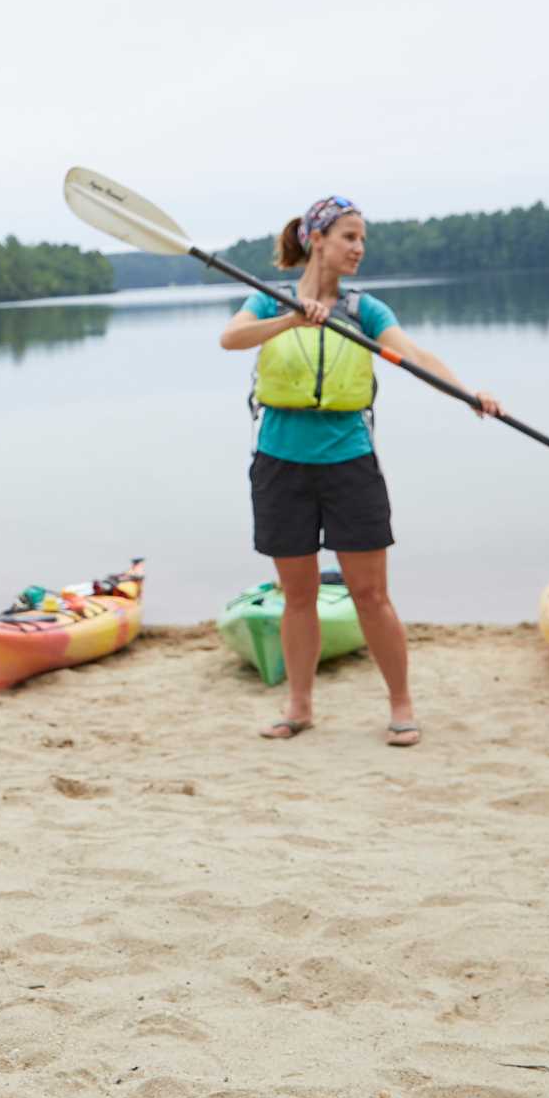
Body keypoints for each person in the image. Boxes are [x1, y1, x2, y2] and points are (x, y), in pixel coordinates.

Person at [218, 196, 503, 749]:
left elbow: (413, 354)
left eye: (362, 239)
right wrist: (288, 318)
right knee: (295, 596)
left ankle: (401, 706)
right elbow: (230, 339)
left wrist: (468, 393)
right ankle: (299, 707)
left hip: (349, 462)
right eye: (350, 236)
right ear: (316, 238)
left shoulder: (365, 309)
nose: (359, 249)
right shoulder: (265, 300)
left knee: (371, 595)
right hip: (280, 465)